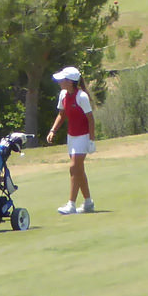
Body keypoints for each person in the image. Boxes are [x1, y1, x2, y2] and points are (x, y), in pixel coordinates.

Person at [45, 66, 94, 214]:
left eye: (62, 79)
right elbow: (62, 114)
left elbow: (90, 119)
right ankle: (88, 202)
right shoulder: (63, 94)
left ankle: (71, 204)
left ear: (70, 82)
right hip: (71, 137)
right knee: (79, 170)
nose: (59, 82)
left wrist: (91, 140)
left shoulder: (82, 97)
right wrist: (53, 130)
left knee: (73, 168)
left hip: (83, 136)